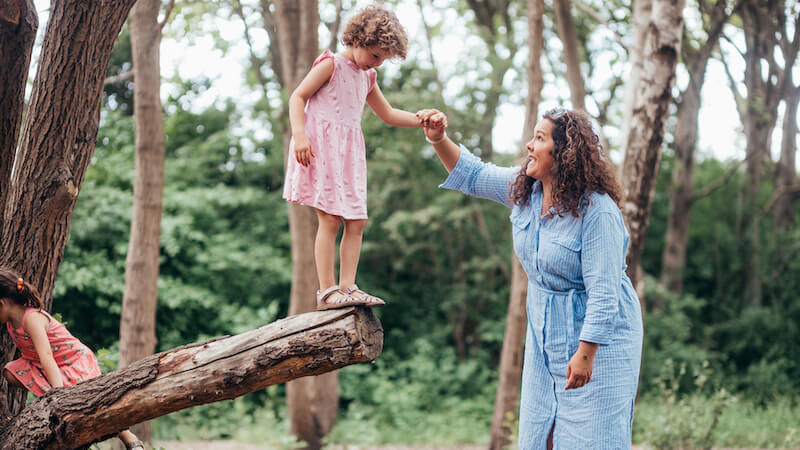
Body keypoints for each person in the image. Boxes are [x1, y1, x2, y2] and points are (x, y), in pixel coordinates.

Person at [417, 108, 643, 449]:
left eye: (539, 138)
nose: (529, 145)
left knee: (593, 438)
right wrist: (439, 139)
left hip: (600, 342)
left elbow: (604, 292)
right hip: (546, 337)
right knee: (542, 435)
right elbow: (474, 174)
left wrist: (586, 353)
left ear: (563, 151)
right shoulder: (526, 191)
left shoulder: (597, 210)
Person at [282, 4, 424, 311]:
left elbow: (388, 114)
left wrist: (421, 119)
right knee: (330, 219)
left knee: (356, 220)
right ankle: (327, 291)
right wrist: (299, 134)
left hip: (349, 155)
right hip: (321, 148)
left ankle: (348, 286)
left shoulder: (368, 77)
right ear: (359, 40)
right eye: (375, 55)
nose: (378, 63)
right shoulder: (331, 64)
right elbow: (298, 96)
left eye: (383, 59)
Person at [0, 268, 145, 450]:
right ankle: (53, 399)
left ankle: (129, 437)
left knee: (96, 404)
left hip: (72, 361)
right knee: (10, 372)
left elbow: (47, 356)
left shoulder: (32, 319)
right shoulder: (10, 322)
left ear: (2, 303)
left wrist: (59, 394)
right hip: (41, 366)